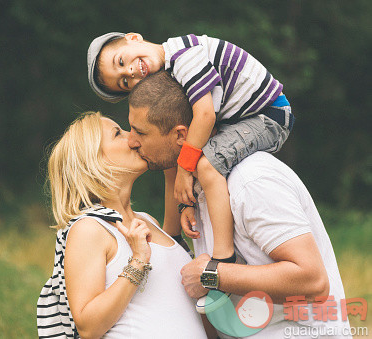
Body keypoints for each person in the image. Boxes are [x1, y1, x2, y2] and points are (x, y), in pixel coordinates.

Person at [127, 71, 351, 338]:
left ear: (181, 135)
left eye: (140, 131)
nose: (131, 141)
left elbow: (313, 281)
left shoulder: (252, 180)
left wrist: (211, 274)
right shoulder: (203, 190)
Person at [87, 32, 294, 265]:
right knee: (178, 157)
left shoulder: (185, 56)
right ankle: (173, 236)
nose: (130, 73)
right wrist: (185, 198)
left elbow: (205, 115)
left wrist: (186, 170)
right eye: (125, 82)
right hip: (239, 118)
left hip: (267, 116)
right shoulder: (170, 70)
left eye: (121, 62)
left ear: (133, 38)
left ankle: (224, 257)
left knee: (206, 164)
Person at [37, 112, 206, 338]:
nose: (133, 138)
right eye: (118, 133)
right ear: (93, 161)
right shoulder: (89, 229)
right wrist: (137, 261)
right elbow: (88, 327)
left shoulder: (148, 221)